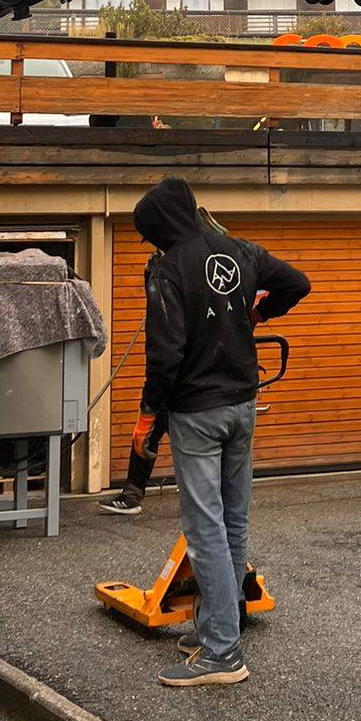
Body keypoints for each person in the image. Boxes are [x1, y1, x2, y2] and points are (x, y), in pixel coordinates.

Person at [131, 177, 309, 688]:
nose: (154, 246)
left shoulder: (167, 270)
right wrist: (257, 312)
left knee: (204, 527)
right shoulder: (241, 250)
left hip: (198, 415)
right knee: (233, 522)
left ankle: (222, 654)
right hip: (242, 406)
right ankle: (218, 627)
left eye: (152, 237)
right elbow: (297, 283)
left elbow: (164, 356)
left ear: (160, 227)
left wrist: (150, 419)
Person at [98, 205, 227, 520]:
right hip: (173, 374)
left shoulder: (203, 255)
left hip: (192, 376)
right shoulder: (167, 266)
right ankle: (132, 494)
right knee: (149, 430)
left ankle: (211, 503)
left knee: (188, 437)